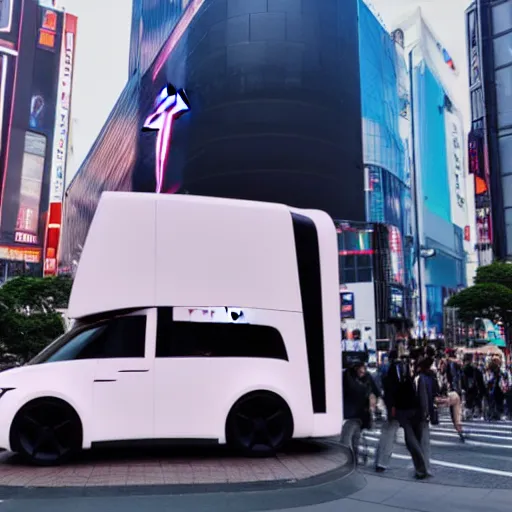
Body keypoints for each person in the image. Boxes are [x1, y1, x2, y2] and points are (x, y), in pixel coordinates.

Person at [380, 351, 428, 479]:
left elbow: (390, 391)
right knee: (414, 438)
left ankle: (421, 467)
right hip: (411, 407)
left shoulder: (392, 370)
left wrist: (392, 408)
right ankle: (421, 468)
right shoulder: (409, 370)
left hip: (405, 408)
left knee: (411, 440)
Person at [340, 358, 378, 464]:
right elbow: (355, 390)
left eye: (364, 369)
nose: (363, 372)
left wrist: (372, 396)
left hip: (359, 414)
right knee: (351, 439)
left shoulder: (365, 378)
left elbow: (376, 392)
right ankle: (352, 461)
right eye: (361, 370)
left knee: (350, 439)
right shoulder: (348, 377)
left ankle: (350, 461)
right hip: (353, 413)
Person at [375, 349, 400, 472]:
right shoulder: (395, 369)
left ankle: (379, 460)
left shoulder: (385, 368)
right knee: (389, 433)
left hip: (389, 404)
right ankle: (382, 462)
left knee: (387, 433)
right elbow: (393, 388)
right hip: (393, 406)